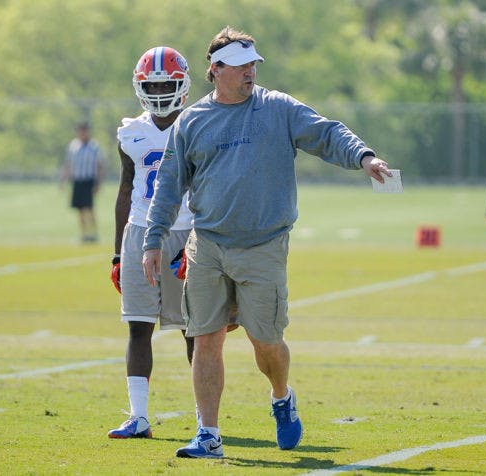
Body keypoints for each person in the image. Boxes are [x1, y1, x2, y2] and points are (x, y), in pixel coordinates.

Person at [141, 26, 392, 459]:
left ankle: (281, 396)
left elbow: (327, 133)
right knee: (205, 338)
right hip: (208, 245)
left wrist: (364, 157)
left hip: (264, 246)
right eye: (240, 66)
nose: (249, 73)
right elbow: (169, 183)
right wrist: (153, 238)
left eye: (253, 65)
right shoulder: (193, 121)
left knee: (266, 341)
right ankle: (208, 433)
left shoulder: (278, 108)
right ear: (216, 69)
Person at [106, 46, 195, 439]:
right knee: (137, 326)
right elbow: (125, 189)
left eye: (166, 83)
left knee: (194, 329)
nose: (159, 91)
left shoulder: (198, 124)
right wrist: (115, 252)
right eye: (152, 84)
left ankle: (203, 419)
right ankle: (138, 416)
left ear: (182, 85)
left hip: (186, 229)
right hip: (141, 232)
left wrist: (199, 242)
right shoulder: (131, 132)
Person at [60, 121, 105, 243]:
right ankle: (84, 234)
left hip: (88, 180)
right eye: (80, 130)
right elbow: (68, 164)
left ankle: (94, 233)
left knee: (89, 208)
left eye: (84, 130)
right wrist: (63, 180)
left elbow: (100, 166)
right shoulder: (73, 146)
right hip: (77, 180)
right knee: (79, 209)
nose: (82, 133)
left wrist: (98, 183)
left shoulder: (94, 146)